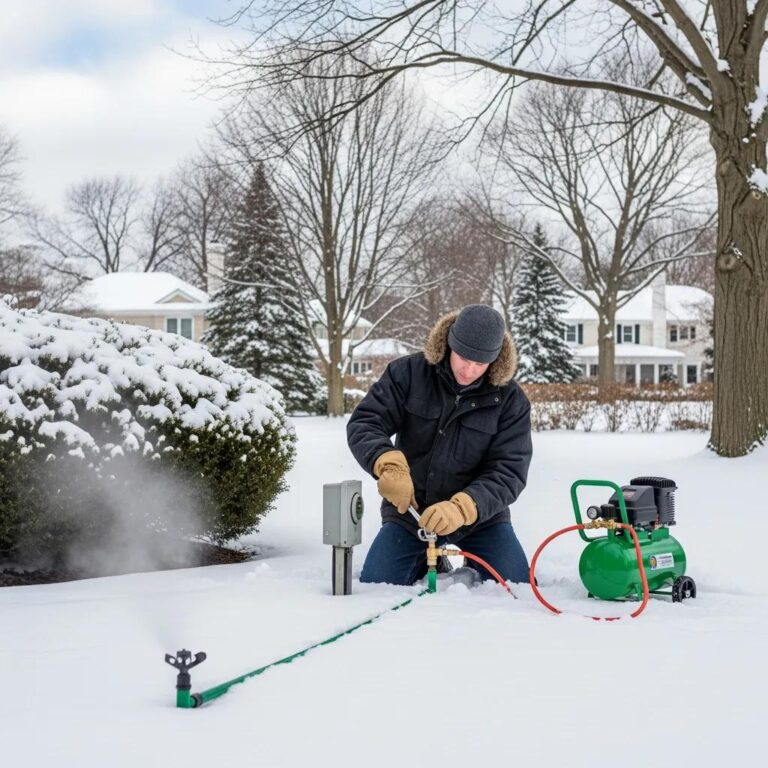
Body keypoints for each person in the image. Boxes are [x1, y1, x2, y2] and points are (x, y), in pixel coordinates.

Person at [347, 304, 532, 586]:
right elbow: (366, 422)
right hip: (412, 514)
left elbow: (509, 471)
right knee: (377, 583)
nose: (469, 370)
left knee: (516, 584)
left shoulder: (511, 401)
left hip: (480, 517)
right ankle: (427, 557)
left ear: (494, 360)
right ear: (449, 345)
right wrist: (386, 463)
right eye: (464, 357)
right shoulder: (408, 373)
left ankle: (462, 550)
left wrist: (463, 508)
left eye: (480, 363)